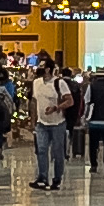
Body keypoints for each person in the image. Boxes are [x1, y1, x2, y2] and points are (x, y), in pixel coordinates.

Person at [30, 59, 75, 191]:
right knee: (41, 150)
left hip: (57, 123)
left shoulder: (59, 83)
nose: (38, 68)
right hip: (41, 123)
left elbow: (70, 101)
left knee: (57, 152)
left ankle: (57, 178)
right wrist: (33, 120)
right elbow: (34, 101)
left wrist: (56, 108)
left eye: (41, 66)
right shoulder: (36, 83)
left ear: (48, 69)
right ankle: (42, 177)